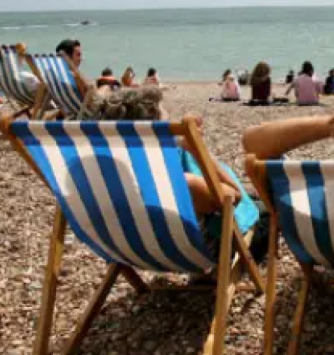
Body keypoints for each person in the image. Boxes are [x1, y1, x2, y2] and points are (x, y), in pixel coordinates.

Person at [88, 87, 265, 262]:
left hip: (134, 251)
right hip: (211, 249)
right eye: (167, 123)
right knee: (267, 210)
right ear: (153, 132)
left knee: (256, 196)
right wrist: (197, 149)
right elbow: (234, 196)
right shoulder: (173, 184)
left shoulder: (100, 179)